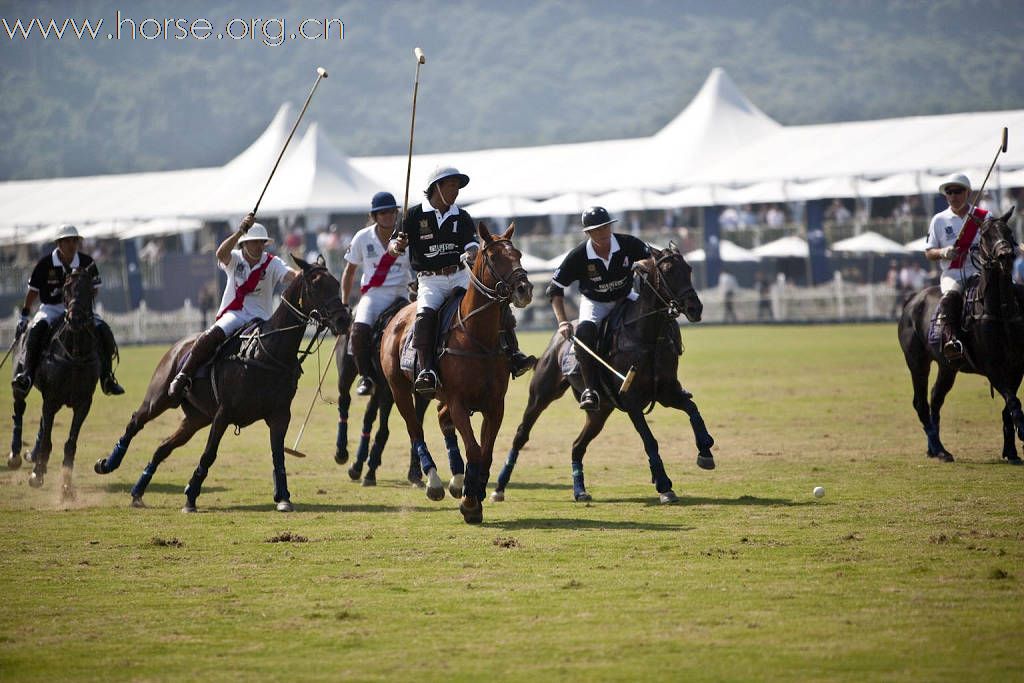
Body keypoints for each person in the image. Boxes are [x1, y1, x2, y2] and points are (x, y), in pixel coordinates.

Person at [389, 166, 535, 397]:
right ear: (437, 187)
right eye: (452, 185)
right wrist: (398, 246)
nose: (456, 191)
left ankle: (514, 355)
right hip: (431, 280)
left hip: (459, 275)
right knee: (425, 316)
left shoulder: (462, 216)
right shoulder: (414, 216)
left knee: (496, 305)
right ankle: (427, 371)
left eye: (458, 186)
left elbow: (472, 245)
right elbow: (393, 245)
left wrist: (471, 253)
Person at [168, 213, 298, 400]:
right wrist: (239, 232)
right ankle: (183, 375)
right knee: (211, 335)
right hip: (235, 314)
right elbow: (220, 254)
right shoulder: (235, 258)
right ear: (244, 243)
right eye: (254, 242)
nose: (259, 246)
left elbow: (291, 275)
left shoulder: (272, 263)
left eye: (261, 242)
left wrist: (309, 274)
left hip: (261, 319)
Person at [548, 206, 651, 411]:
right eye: (597, 230)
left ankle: (662, 376)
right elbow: (554, 289)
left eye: (606, 227)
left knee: (653, 321)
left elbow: (653, 258)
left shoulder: (628, 244)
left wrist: (645, 263)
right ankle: (591, 390)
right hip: (595, 303)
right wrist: (562, 322)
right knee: (585, 333)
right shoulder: (578, 255)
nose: (603, 233)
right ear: (588, 233)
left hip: (626, 297)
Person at [12, 224, 125, 397]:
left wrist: (82, 298)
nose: (72, 245)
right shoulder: (45, 264)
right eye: (67, 241)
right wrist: (24, 316)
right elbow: (33, 292)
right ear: (59, 243)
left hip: (79, 309)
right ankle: (27, 375)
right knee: (36, 330)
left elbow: (95, 288)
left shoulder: (87, 262)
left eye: (75, 241)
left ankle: (107, 377)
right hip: (52, 308)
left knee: (104, 330)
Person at [341, 191, 412, 396]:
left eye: (392, 212)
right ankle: (366, 377)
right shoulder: (362, 238)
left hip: (401, 293)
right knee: (359, 330)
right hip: (374, 294)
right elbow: (350, 271)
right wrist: (345, 303)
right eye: (383, 213)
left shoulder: (405, 237)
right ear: (374, 216)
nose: (389, 216)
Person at [925, 172, 987, 361]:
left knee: (1010, 288)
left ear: (968, 193)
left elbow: (998, 239)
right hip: (953, 273)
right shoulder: (939, 220)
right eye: (949, 192)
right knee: (951, 297)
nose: (953, 196)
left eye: (957, 191)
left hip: (981, 271)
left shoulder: (983, 216)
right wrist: (944, 252)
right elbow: (928, 252)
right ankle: (952, 340)